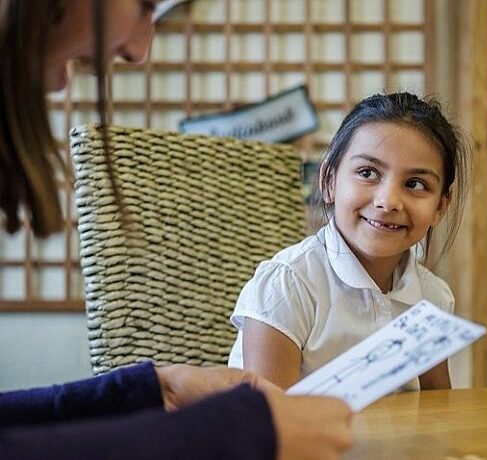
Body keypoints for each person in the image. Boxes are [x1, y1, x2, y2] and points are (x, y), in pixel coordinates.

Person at [0, 1, 353, 459]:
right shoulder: (286, 280)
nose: (140, 49)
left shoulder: (426, 289)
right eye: (147, 3)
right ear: (328, 180)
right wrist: (237, 432)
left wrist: (147, 388)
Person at [228, 92, 470, 390]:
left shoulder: (432, 298)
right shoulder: (287, 286)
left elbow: (439, 413)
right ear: (329, 181)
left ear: (440, 207)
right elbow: (268, 422)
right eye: (368, 173)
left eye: (415, 184)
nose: (388, 201)